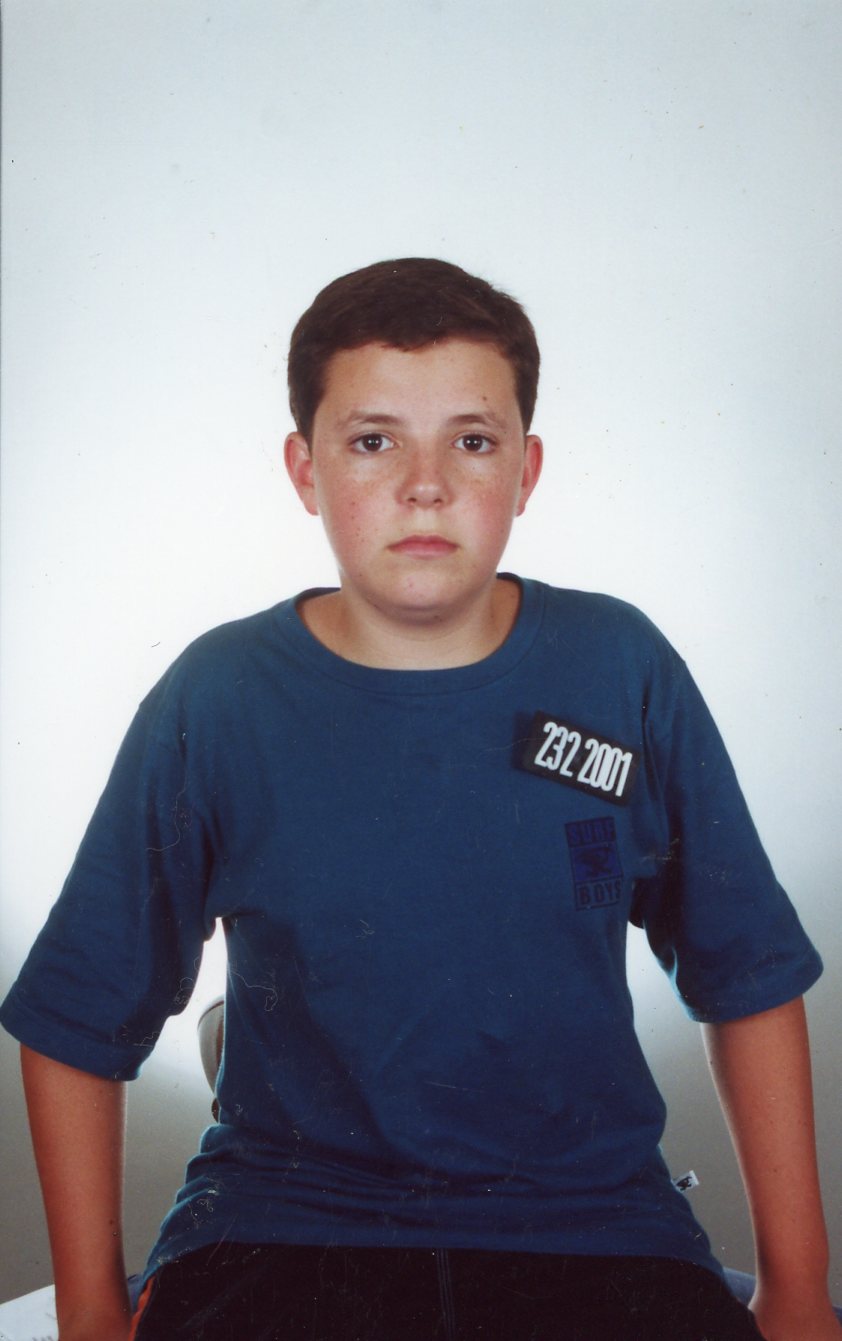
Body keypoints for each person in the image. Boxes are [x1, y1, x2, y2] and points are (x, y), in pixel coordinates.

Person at [2, 259, 839, 1341]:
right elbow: (77, 1012)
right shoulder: (220, 697)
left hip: (590, 1226)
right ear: (304, 470)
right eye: (373, 441)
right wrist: (86, 1314)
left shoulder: (618, 668)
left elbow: (747, 973)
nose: (425, 485)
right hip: (286, 1226)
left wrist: (797, 1290)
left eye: (472, 440)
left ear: (526, 469)